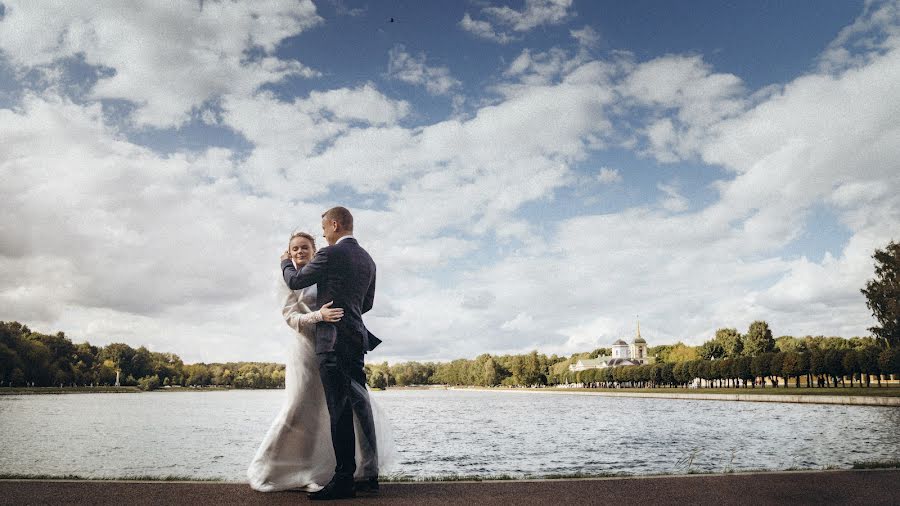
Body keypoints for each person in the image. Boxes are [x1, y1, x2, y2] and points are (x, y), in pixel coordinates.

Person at [247, 230, 386, 494]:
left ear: (314, 251)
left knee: (328, 412)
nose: (300, 253)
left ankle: (320, 471)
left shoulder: (322, 272)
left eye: (305, 248)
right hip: (304, 349)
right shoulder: (287, 279)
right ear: (289, 253)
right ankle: (275, 469)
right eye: (295, 249)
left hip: (332, 346)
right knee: (298, 407)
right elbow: (291, 318)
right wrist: (319, 316)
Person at [281, 206, 381, 500]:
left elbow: (295, 281)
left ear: (335, 225)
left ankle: (343, 479)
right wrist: (347, 310)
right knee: (360, 406)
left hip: (333, 340)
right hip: (356, 338)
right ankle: (370, 476)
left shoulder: (330, 253)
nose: (323, 232)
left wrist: (286, 262)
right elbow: (368, 303)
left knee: (339, 409)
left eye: (324, 228)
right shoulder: (368, 259)